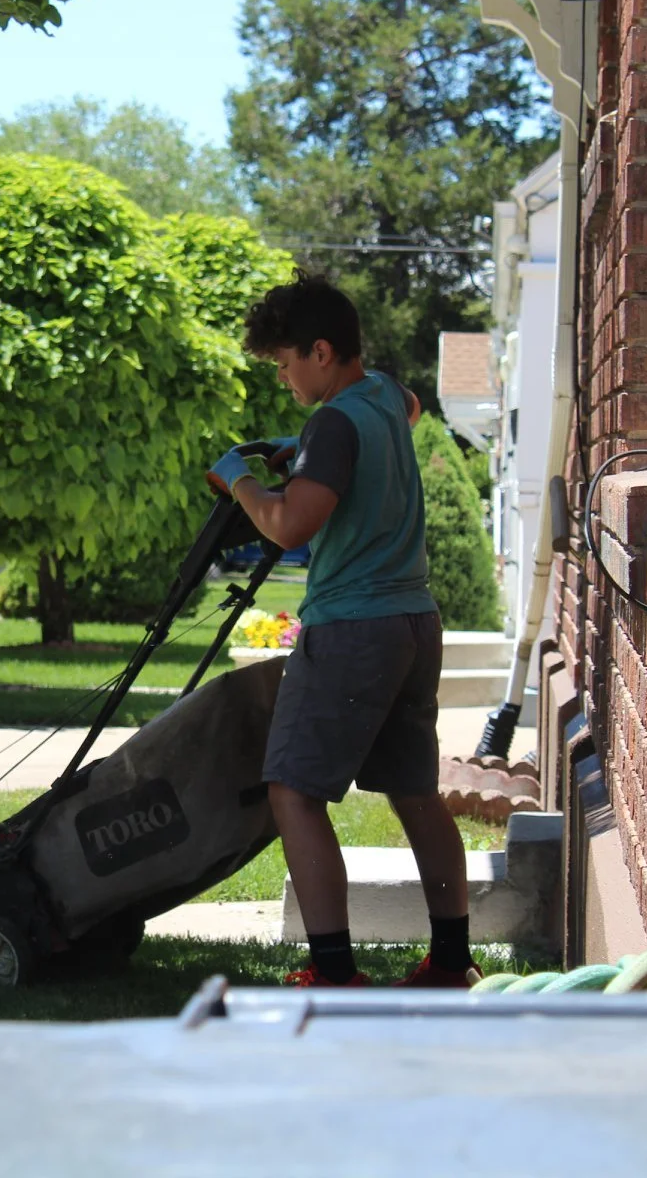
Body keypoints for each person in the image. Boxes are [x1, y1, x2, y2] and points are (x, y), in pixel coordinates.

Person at [207, 274, 478, 988]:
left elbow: (289, 523)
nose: (285, 377)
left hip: (353, 628)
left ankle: (331, 971)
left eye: (286, 363)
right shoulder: (384, 394)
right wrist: (301, 450)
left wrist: (240, 479)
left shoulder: (333, 423)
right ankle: (452, 961)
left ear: (321, 351)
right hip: (415, 621)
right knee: (416, 791)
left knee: (292, 791)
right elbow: (412, 408)